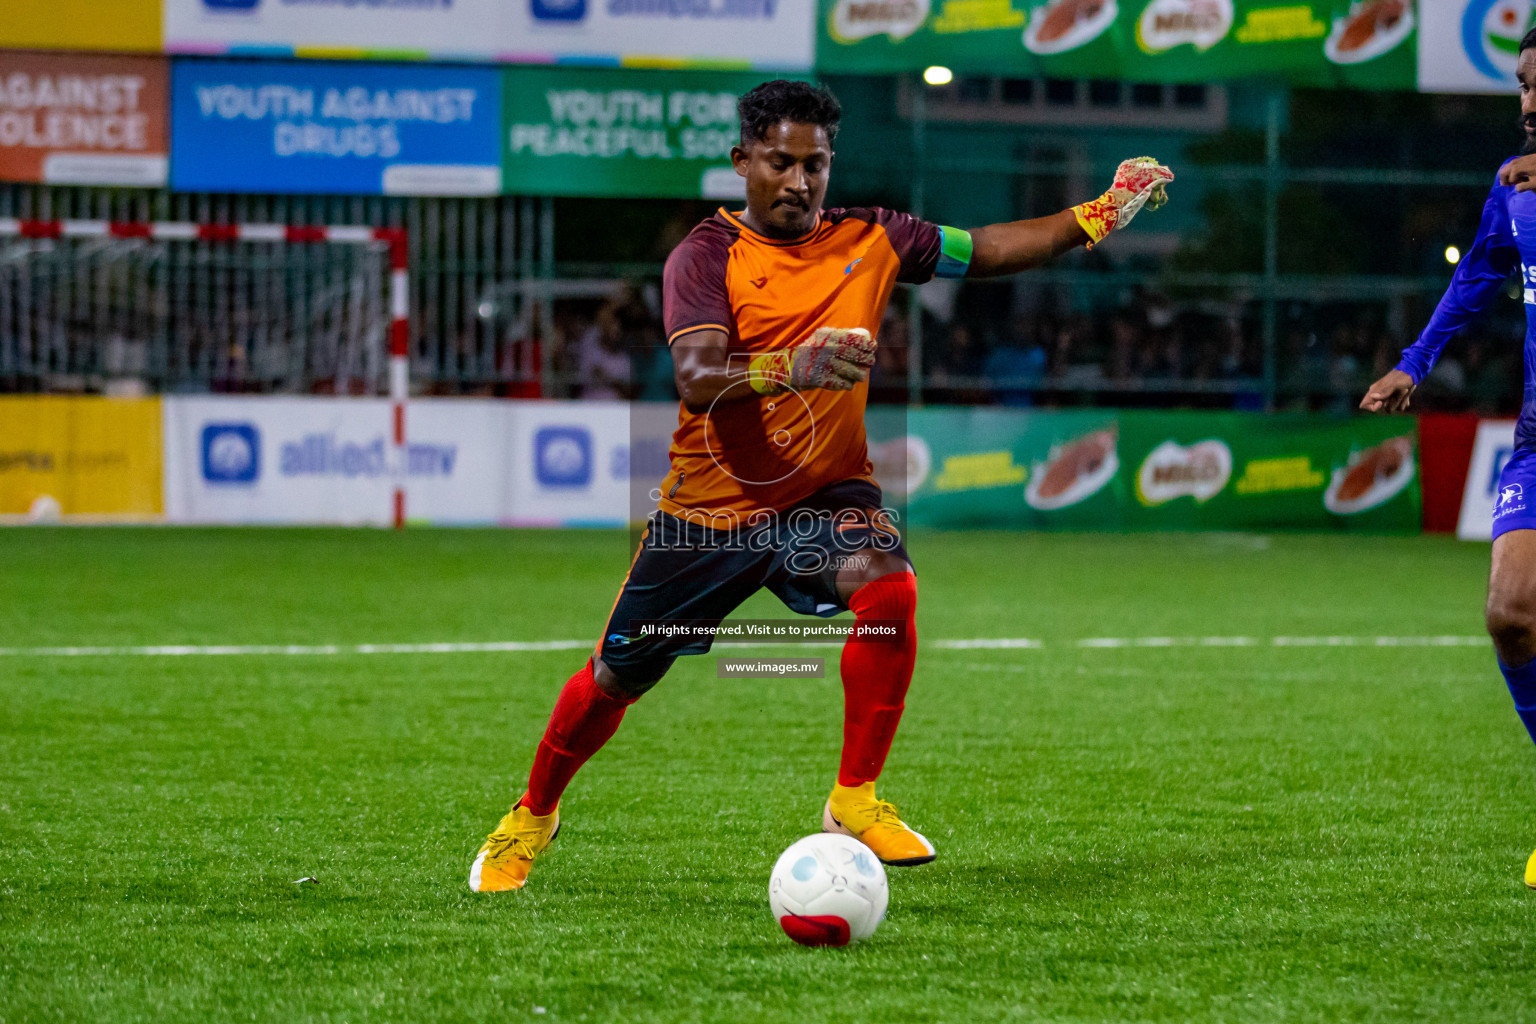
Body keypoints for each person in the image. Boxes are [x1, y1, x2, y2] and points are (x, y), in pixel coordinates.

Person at [469, 80, 1174, 892]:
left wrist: (1098, 213)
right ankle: (532, 816)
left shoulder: (876, 237)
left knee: (889, 587)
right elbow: (698, 377)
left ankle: (853, 799)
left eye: (816, 164)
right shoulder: (704, 255)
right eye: (780, 163)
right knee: (613, 679)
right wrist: (789, 366)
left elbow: (989, 249)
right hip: (708, 517)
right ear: (743, 162)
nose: (799, 182)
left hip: (824, 499)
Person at [1360, 29, 1536, 890]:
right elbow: (1475, 285)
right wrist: (1413, 364)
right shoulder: (1515, 189)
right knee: (1512, 613)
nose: (1530, 104)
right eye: (1523, 87)